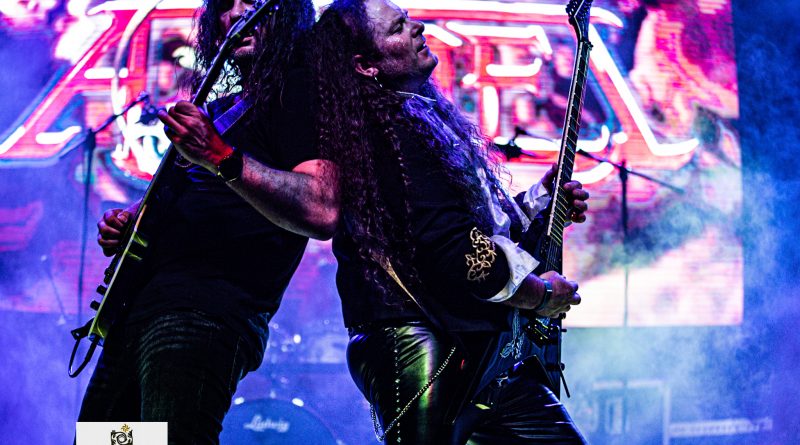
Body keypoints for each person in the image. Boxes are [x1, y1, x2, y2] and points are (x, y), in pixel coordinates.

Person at [311, 0, 589, 443]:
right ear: (365, 65)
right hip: (419, 340)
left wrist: (541, 201)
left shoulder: (418, 117)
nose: (417, 27)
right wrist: (540, 295)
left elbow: (477, 230)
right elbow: (459, 253)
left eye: (407, 19)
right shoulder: (389, 133)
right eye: (397, 28)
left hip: (476, 346)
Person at [77, 1, 338, 444]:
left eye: (252, 2)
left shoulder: (299, 93)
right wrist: (130, 222)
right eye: (225, 4)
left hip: (202, 314)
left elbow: (320, 207)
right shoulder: (220, 109)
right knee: (106, 440)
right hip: (137, 311)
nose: (234, 14)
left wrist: (218, 155)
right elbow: (176, 201)